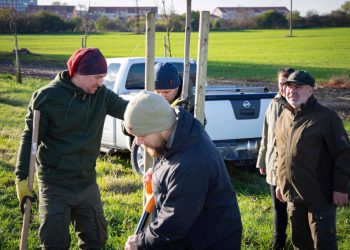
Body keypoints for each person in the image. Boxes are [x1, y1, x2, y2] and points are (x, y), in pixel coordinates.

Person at [15, 48, 129, 249]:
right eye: (97, 77)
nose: (101, 82)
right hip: (55, 184)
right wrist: (22, 177)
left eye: (103, 77)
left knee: (96, 238)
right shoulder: (47, 97)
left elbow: (129, 111)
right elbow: (29, 139)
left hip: (87, 182)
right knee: (54, 242)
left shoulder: (101, 95)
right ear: (79, 73)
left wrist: (159, 110)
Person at [123, 91, 242, 249]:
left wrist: (140, 243)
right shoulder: (178, 132)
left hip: (210, 243)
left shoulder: (192, 162)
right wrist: (159, 174)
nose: (137, 141)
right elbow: (168, 160)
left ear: (159, 127)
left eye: (142, 134)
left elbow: (175, 221)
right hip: (193, 236)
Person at [275, 70, 350, 250]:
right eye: (289, 86)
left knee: (323, 244)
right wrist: (280, 182)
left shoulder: (326, 117)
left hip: (319, 197)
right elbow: (281, 153)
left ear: (311, 90)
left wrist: (340, 188)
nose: (292, 91)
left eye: (298, 87)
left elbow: (344, 154)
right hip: (293, 196)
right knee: (300, 244)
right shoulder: (284, 116)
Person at [256, 67, 294, 249]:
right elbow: (266, 134)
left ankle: (300, 241)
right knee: (277, 209)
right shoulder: (273, 104)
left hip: (290, 169)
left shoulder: (298, 105)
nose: (283, 87)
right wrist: (262, 160)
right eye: (280, 83)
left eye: (286, 83)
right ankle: (278, 242)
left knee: (293, 208)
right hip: (272, 166)